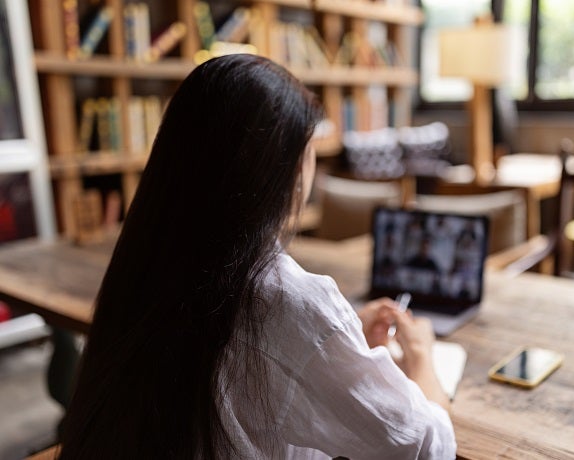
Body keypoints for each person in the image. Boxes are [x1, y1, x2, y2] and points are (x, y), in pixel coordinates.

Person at [59, 54, 455, 459]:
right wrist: (421, 356)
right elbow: (424, 446)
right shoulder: (285, 298)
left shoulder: (150, 260)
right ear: (283, 169)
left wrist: (338, 332)